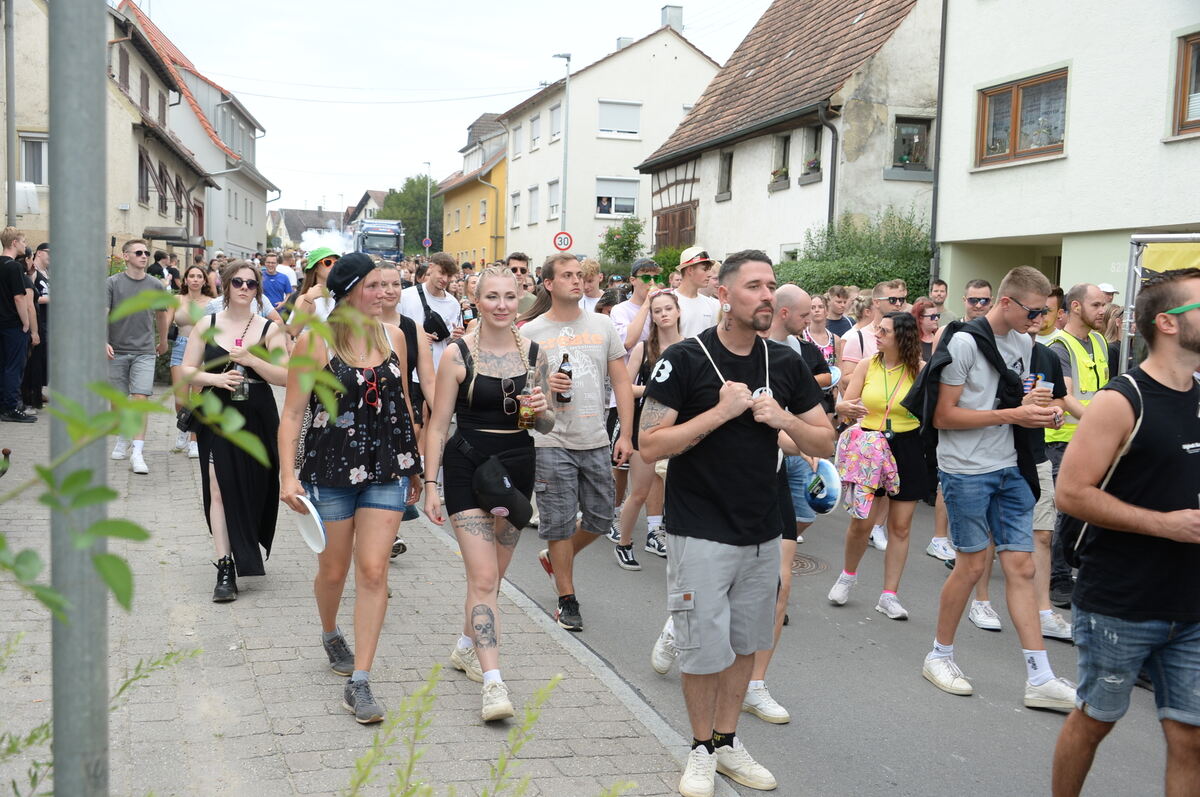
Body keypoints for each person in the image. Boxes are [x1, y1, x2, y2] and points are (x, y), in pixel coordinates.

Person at [639, 250, 833, 797]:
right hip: (698, 526)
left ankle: (726, 742)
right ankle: (699, 748)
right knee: (702, 646)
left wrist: (783, 418)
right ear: (724, 295)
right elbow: (649, 444)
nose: (767, 295)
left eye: (772, 285)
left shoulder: (786, 362)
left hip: (762, 526)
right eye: (754, 286)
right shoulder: (684, 359)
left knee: (745, 643)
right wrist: (721, 413)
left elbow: (825, 440)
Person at [1050, 267, 1200, 797]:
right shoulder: (1122, 400)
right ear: (1167, 322)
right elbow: (1071, 494)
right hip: (1121, 600)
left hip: (1191, 602)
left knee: (1190, 738)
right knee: (1096, 720)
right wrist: (1167, 525)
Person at [921, 266, 1076, 711]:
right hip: (966, 469)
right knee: (970, 567)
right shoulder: (964, 342)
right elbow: (943, 417)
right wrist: (1015, 416)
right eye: (1034, 311)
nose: (1040, 320)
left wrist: (1042, 412)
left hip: (1011, 465)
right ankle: (940, 655)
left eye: (1046, 312)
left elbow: (1018, 399)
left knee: (1022, 567)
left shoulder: (1027, 344)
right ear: (1005, 303)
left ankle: (1040, 677)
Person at [278, 253, 423, 725]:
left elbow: (401, 403)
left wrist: (415, 463)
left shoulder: (395, 336)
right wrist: (288, 476)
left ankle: (360, 681)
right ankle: (328, 630)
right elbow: (294, 414)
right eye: (375, 285)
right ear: (348, 290)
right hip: (332, 470)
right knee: (334, 570)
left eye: (391, 285)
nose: (386, 293)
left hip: (387, 469)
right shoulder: (314, 343)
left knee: (374, 570)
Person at [422, 265, 556, 722]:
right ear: (476, 301)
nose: (502, 305)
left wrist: (543, 410)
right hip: (467, 468)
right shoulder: (457, 356)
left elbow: (547, 423)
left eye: (510, 296)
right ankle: (494, 685)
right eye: (492, 297)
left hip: (516, 468)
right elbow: (438, 425)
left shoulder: (535, 354)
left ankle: (465, 647)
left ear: (521, 298)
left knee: (492, 580)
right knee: (482, 580)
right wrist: (431, 485)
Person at [519, 253, 635, 632]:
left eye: (579, 275)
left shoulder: (602, 324)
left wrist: (628, 435)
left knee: (602, 518)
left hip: (595, 437)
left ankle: (555, 559)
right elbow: (519, 395)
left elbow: (621, 383)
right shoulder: (531, 332)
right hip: (549, 439)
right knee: (558, 523)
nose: (576, 281)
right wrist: (541, 386)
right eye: (566, 275)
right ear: (548, 284)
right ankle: (567, 599)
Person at [181, 262, 288, 601]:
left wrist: (253, 360)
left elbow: (286, 376)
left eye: (252, 284)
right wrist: (215, 378)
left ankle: (246, 540)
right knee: (218, 488)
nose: (245, 288)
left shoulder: (269, 330)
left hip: (257, 414)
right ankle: (224, 564)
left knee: (256, 486)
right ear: (226, 286)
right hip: (217, 412)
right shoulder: (206, 325)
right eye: (238, 282)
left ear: (258, 289)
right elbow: (186, 370)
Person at [829, 312, 928, 620]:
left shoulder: (922, 370)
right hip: (870, 446)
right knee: (863, 521)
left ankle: (889, 595)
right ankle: (848, 575)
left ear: (902, 337)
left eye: (884, 331)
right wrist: (842, 407)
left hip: (907, 447)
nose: (877, 334)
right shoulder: (866, 364)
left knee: (900, 526)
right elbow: (846, 405)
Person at [1043, 283, 1110, 609]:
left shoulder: (1098, 340)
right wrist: (1101, 423)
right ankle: (1058, 578)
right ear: (1076, 306)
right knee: (1064, 513)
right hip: (1062, 442)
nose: (1103, 310)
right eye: (1096, 304)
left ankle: (1078, 571)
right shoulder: (1059, 345)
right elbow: (1065, 396)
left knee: (1089, 510)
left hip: (1091, 439)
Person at [614, 289, 680, 569]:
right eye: (657, 310)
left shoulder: (691, 347)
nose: (663, 314)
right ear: (651, 316)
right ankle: (624, 542)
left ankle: (672, 544)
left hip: (680, 429)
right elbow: (625, 387)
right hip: (646, 426)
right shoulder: (643, 348)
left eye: (668, 309)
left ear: (678, 312)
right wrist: (656, 390)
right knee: (639, 491)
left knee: (679, 491)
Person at [379, 262, 435, 546]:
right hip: (368, 412)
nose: (390, 291)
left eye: (396, 284)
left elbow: (427, 378)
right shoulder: (361, 325)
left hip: (404, 411)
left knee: (395, 475)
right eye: (382, 284)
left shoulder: (412, 328)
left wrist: (440, 412)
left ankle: (386, 533)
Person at [107, 239, 170, 472]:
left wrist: (163, 341)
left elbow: (162, 315)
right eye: (139, 252)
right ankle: (123, 435)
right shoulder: (112, 283)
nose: (144, 256)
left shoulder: (155, 285)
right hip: (117, 350)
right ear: (126, 256)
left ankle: (138, 451)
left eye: (146, 252)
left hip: (144, 350)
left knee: (140, 398)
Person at [170, 264, 216, 457]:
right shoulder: (176, 299)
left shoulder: (212, 302)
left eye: (199, 276)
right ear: (186, 280)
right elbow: (165, 321)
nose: (195, 279)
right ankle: (183, 428)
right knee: (180, 398)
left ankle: (194, 440)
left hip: (202, 350)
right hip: (181, 346)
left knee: (198, 397)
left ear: (204, 281)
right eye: (191, 276)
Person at [398, 252, 464, 374]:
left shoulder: (453, 304)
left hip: (439, 372)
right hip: (410, 372)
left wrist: (456, 337)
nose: (445, 280)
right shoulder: (405, 296)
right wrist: (416, 338)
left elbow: (450, 343)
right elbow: (393, 331)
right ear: (431, 267)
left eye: (449, 276)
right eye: (442, 273)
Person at [0, 227, 34, 423]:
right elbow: (19, 298)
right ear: (14, 243)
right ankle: (12, 407)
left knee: (3, 365)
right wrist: (26, 324)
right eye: (23, 241)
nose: (25, 245)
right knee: (13, 367)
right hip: (13, 324)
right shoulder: (14, 267)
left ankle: (4, 405)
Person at [20, 243, 49, 413]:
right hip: (36, 321)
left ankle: (36, 393)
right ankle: (29, 397)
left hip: (44, 322)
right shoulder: (30, 274)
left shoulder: (45, 273)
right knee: (33, 362)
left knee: (42, 360)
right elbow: (29, 300)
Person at [286, 248, 339, 333]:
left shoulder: (339, 295)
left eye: (336, 263)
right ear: (316, 268)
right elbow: (293, 330)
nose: (333, 266)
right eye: (328, 262)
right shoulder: (306, 298)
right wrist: (309, 299)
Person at [674, 247, 720, 337]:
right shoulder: (669, 302)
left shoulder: (713, 305)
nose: (710, 274)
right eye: (705, 269)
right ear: (690, 270)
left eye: (709, 269)